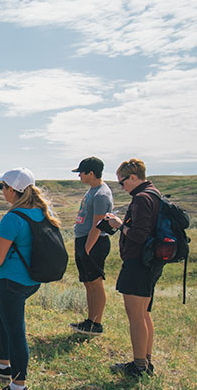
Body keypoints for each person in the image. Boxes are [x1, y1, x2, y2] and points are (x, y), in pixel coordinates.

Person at [0, 168, 59, 390]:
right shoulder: (40, 213)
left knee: (16, 330)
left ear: (12, 190)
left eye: (2, 187)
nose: (1, 191)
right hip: (31, 280)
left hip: (11, 281)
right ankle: (4, 366)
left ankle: (18, 385)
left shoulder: (12, 218)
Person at [100, 158, 164, 377]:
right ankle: (145, 362)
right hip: (149, 262)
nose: (121, 187)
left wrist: (119, 226)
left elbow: (138, 235)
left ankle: (138, 367)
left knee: (136, 316)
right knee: (144, 314)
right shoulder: (154, 194)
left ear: (134, 177)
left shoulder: (141, 199)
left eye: (122, 182)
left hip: (138, 262)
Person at [68, 157, 115, 336]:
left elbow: (98, 224)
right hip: (85, 240)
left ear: (91, 173)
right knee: (88, 283)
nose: (79, 175)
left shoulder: (101, 194)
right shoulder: (93, 190)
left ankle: (97, 323)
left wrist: (87, 248)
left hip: (93, 242)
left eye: (81, 172)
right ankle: (90, 320)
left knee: (95, 283)